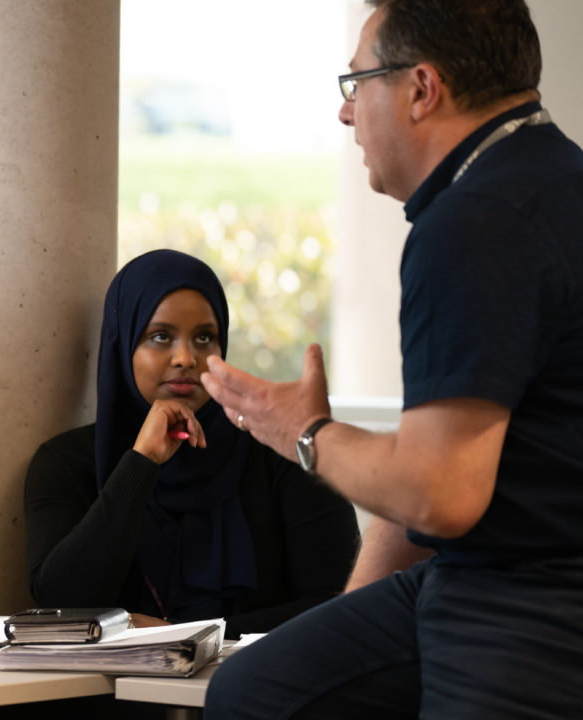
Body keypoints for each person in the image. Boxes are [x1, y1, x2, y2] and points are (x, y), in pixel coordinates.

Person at [201, 1, 583, 717]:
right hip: (488, 573)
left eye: (357, 83)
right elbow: (428, 458)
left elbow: (440, 494)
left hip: (526, 602)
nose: (347, 115)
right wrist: (341, 626)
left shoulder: (472, 222)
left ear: (420, 88)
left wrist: (306, 433)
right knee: (258, 687)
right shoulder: (553, 180)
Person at [24, 250, 358, 639]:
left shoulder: (280, 452)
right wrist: (141, 462)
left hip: (253, 688)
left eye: (204, 338)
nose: (186, 358)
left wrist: (188, 634)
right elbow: (60, 608)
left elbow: (339, 605)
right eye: (160, 337)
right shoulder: (66, 462)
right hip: (103, 694)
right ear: (122, 344)